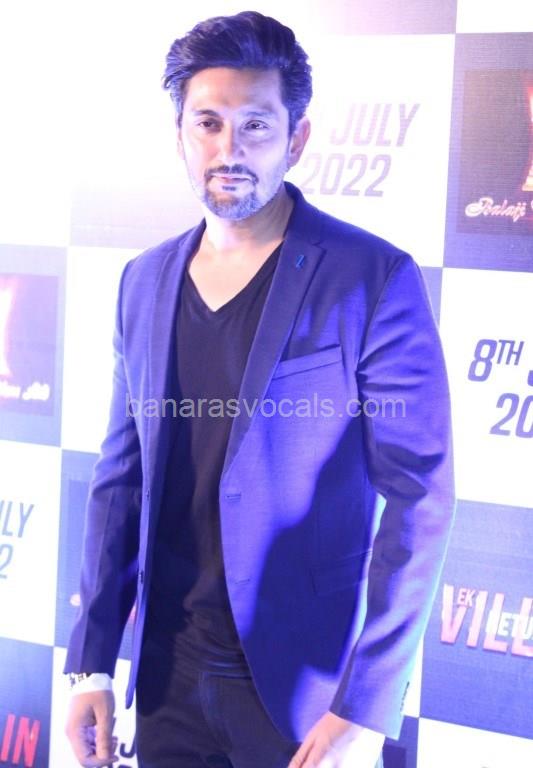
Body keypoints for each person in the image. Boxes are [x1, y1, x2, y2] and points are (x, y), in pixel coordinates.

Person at [64, 11, 455, 768]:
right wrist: (91, 664)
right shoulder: (142, 280)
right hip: (167, 681)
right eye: (208, 123)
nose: (228, 149)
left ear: (296, 138)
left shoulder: (370, 278)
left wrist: (364, 707)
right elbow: (120, 481)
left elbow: (422, 496)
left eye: (255, 126)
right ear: (179, 134)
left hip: (305, 698)